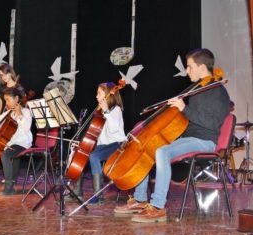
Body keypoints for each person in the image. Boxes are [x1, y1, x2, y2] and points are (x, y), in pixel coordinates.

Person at [114, 48, 230, 223]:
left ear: (201, 66)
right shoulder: (198, 89)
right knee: (149, 148)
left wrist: (184, 108)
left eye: (190, 66)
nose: (187, 70)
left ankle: (158, 206)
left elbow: (212, 124)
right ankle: (139, 200)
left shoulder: (217, 91)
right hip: (190, 138)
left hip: (205, 142)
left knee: (162, 152)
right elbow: (189, 120)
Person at [69, 82, 127, 204]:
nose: (96, 96)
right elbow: (97, 135)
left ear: (107, 95)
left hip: (117, 144)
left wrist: (106, 112)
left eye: (99, 93)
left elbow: (113, 129)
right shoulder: (100, 112)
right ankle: (77, 192)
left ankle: (98, 195)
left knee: (94, 156)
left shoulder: (116, 110)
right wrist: (83, 145)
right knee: (81, 153)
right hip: (104, 145)